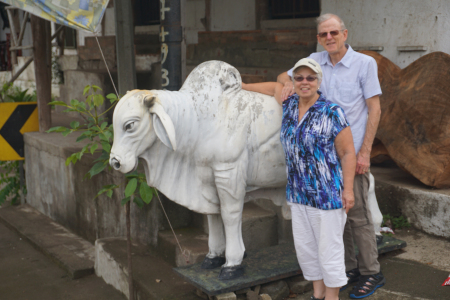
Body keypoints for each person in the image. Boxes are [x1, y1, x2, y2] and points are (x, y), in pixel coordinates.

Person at [277, 13, 384, 299]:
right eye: (324, 34)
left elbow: (374, 109)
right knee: (336, 224)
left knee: (357, 215)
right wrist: (287, 84)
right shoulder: (315, 61)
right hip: (320, 159)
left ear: (345, 34)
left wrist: (365, 153)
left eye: (334, 33)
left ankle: (371, 272)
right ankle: (347, 270)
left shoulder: (364, 64)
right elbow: (283, 78)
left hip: (350, 153)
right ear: (318, 38)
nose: (329, 38)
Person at [243, 58, 356, 300]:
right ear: (293, 82)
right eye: (299, 78)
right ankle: (317, 294)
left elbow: (347, 153)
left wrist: (348, 190)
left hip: (327, 195)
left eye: (310, 78)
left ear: (318, 81)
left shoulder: (332, 112)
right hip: (298, 193)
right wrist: (242, 86)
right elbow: (273, 87)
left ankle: (332, 297)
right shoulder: (290, 104)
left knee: (330, 250)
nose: (305, 82)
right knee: (306, 250)